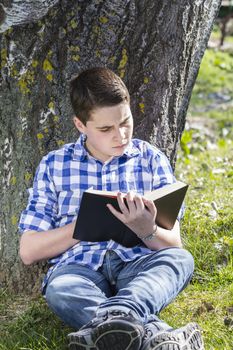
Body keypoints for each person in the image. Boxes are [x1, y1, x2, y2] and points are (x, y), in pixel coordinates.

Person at [19, 67, 204, 350]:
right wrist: (83, 228)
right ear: (80, 125)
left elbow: (173, 244)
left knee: (181, 260)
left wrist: (148, 229)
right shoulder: (54, 165)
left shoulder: (150, 159)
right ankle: (160, 337)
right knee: (60, 290)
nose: (121, 136)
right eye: (105, 129)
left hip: (137, 263)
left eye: (125, 123)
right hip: (78, 268)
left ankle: (115, 322)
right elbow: (29, 251)